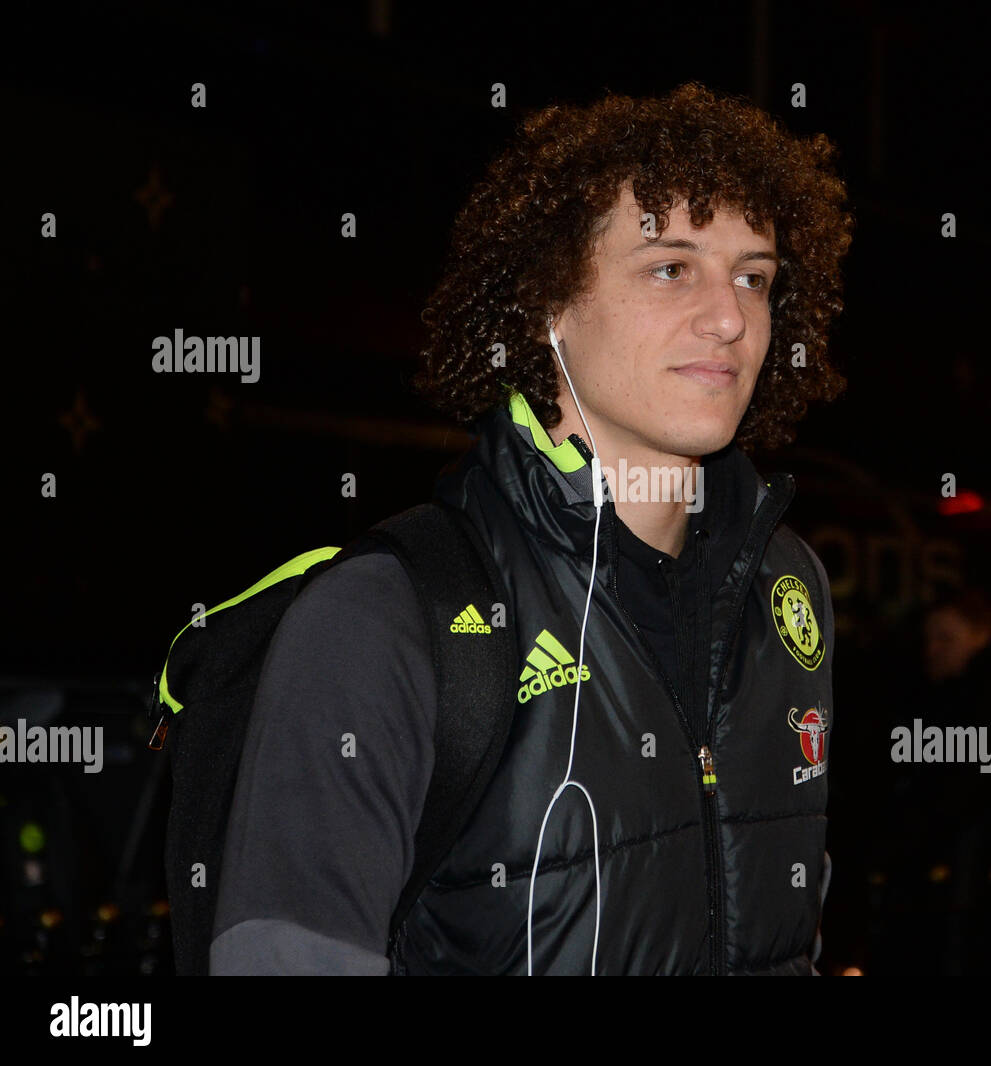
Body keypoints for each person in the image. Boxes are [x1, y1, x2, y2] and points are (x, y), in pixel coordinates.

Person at [210, 82, 855, 975]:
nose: (730, 318)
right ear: (550, 304)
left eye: (753, 276)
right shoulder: (389, 614)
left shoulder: (789, 591)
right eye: (671, 268)